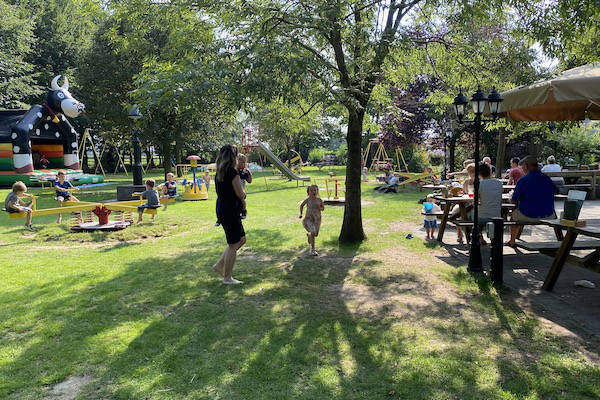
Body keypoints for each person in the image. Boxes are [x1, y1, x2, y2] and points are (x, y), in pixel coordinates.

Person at [213, 144, 247, 285]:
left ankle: (219, 265)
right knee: (233, 244)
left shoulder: (219, 172)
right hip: (230, 210)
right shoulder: (232, 173)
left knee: (241, 239)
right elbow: (241, 194)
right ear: (233, 157)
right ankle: (227, 278)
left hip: (223, 208)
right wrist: (243, 195)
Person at [507, 156, 557, 246]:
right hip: (549, 214)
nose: (522, 169)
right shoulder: (547, 179)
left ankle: (512, 241)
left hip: (528, 214)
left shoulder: (523, 180)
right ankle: (560, 239)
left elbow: (514, 200)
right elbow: (556, 191)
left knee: (513, 217)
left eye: (522, 167)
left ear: (526, 166)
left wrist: (511, 198)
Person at [475, 163, 502, 244]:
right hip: (497, 215)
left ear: (479, 173)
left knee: (470, 215)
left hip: (482, 216)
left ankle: (479, 237)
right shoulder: (498, 183)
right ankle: (491, 238)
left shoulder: (480, 184)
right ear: (490, 172)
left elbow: (475, 200)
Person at [299, 185, 325, 255]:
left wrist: (320, 207)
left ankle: (309, 235)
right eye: (312, 190)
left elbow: (323, 208)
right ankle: (313, 249)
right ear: (308, 192)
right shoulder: (308, 200)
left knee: (315, 234)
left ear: (317, 191)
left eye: (315, 190)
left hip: (317, 219)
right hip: (308, 219)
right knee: (313, 232)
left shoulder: (320, 200)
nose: (314, 192)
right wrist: (301, 214)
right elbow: (301, 205)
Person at [237, 154, 252, 219]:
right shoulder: (234, 171)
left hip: (241, 191)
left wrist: (249, 173)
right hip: (234, 190)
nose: (243, 164)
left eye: (244, 162)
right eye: (241, 162)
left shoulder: (244, 172)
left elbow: (249, 181)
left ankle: (244, 211)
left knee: (242, 201)